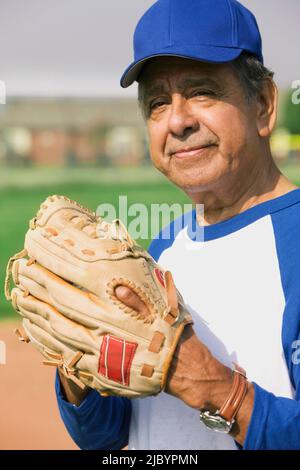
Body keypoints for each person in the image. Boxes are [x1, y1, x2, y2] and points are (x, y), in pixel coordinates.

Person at [55, 0, 300, 450]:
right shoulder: (164, 247)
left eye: (203, 91)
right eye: (157, 102)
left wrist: (213, 386)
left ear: (264, 104)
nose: (178, 120)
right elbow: (107, 435)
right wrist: (81, 368)